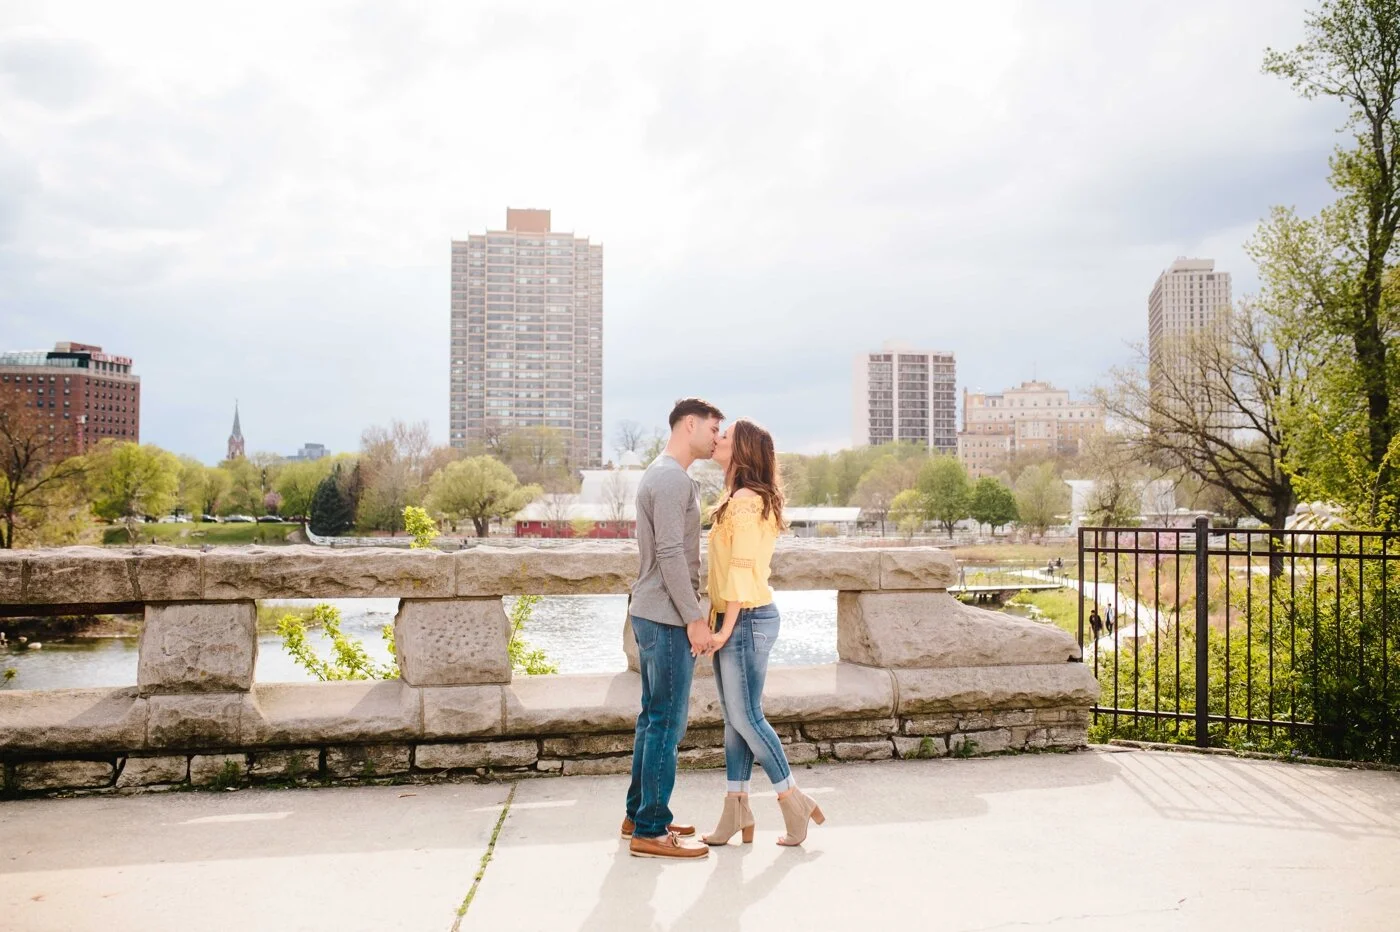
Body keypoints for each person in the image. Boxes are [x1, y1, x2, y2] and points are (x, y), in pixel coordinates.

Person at [700, 418, 825, 848]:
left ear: (742, 450)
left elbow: (740, 569)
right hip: (740, 616)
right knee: (735, 720)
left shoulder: (746, 501)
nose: (717, 439)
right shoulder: (739, 497)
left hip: (746, 619)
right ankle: (736, 808)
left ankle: (793, 799)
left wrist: (723, 629)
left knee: (747, 717)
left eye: (726, 436)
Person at [623, 397, 724, 861]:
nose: (716, 437)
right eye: (713, 428)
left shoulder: (665, 474)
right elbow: (669, 554)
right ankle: (651, 829)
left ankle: (639, 815)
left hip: (655, 613)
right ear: (689, 424)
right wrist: (695, 619)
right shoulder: (669, 478)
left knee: (653, 718)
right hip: (665, 617)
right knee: (666, 722)